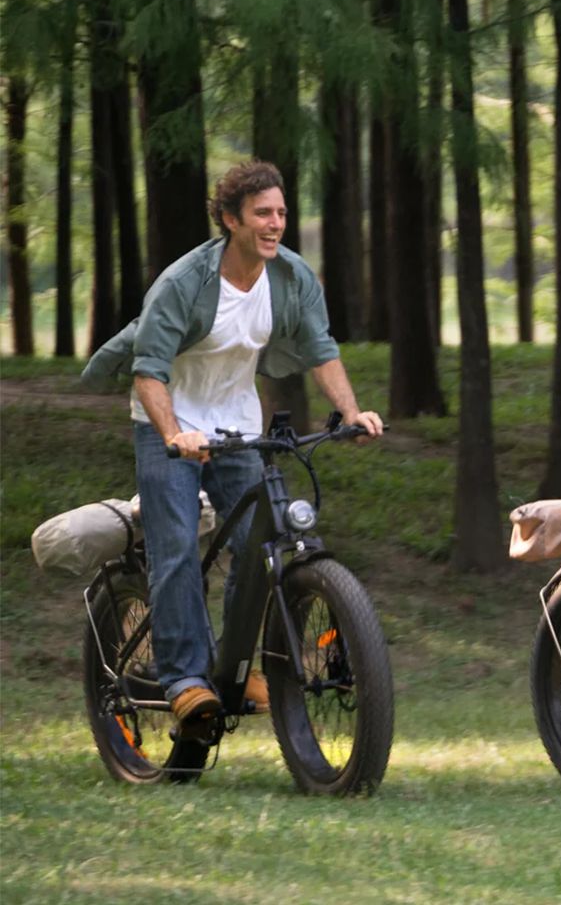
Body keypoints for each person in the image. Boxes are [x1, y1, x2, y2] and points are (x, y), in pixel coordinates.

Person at [82, 160, 383, 725]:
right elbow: (148, 372)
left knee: (260, 546)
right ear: (230, 219)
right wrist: (174, 433)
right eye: (262, 213)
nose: (275, 224)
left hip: (237, 425)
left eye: (282, 213)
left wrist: (351, 411)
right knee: (176, 552)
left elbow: (321, 348)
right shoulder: (183, 283)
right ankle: (185, 679)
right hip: (167, 423)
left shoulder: (290, 277)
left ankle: (236, 664)